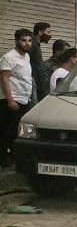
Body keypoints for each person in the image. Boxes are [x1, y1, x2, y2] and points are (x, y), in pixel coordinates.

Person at [0, 30, 35, 165]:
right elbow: (4, 78)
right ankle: (4, 159)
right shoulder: (8, 57)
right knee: (7, 132)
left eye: (29, 40)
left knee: (19, 131)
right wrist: (10, 100)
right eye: (23, 40)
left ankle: (14, 157)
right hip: (12, 100)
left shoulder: (26, 57)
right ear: (16, 41)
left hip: (24, 99)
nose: (27, 43)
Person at [30, 22, 52, 100]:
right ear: (40, 32)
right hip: (33, 82)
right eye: (48, 32)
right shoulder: (32, 44)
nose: (50, 35)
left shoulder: (36, 45)